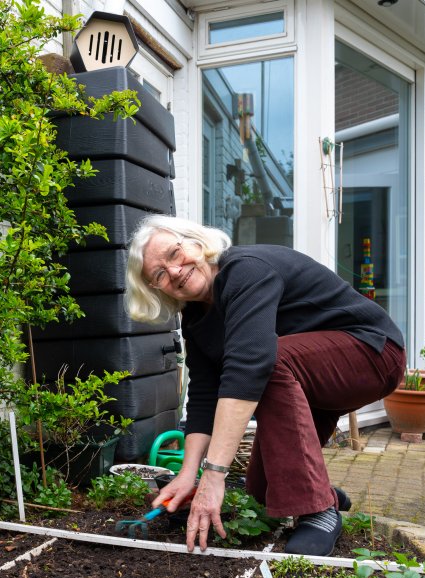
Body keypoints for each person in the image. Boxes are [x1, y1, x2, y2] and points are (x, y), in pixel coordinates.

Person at [124, 215, 405, 556]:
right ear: (156, 290)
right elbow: (203, 396)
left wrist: (213, 476)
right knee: (260, 496)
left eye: (174, 253)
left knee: (266, 361)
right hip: (305, 376)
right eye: (159, 274)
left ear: (197, 243)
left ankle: (318, 511)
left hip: (373, 353)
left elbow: (250, 368)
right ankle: (324, 492)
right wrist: (188, 474)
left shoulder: (246, 270)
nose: (174, 271)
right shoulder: (196, 317)